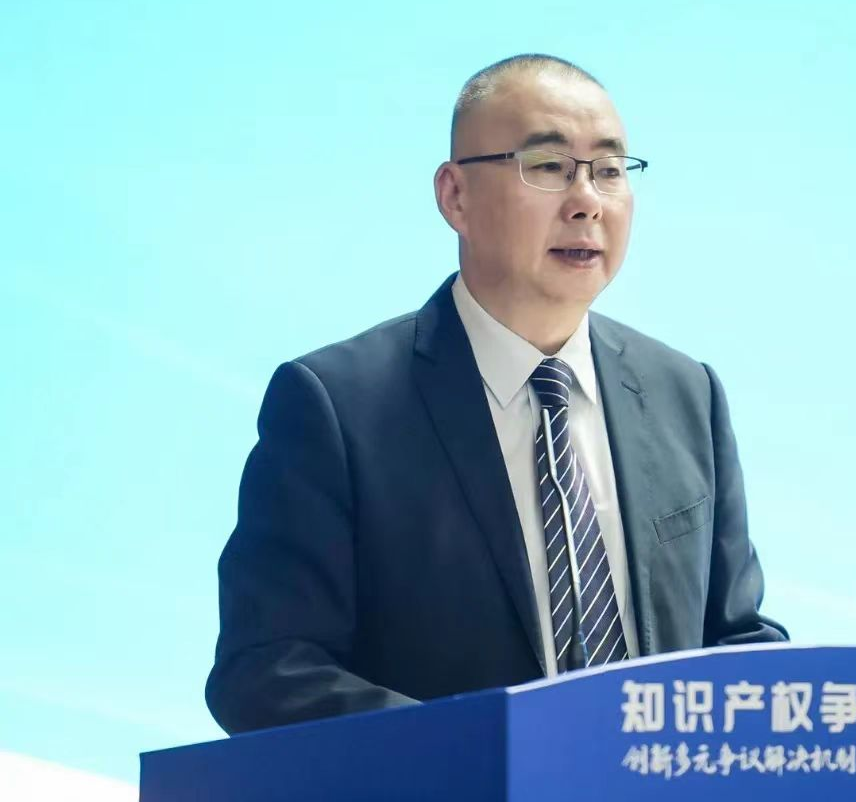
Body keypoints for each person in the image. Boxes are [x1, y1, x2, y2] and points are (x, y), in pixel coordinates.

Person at [206, 53, 788, 735]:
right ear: (455, 196)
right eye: (548, 166)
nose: (587, 201)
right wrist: (498, 753)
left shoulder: (685, 394)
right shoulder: (336, 406)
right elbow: (269, 672)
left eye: (608, 170)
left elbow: (736, 638)